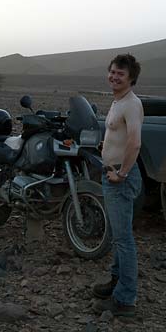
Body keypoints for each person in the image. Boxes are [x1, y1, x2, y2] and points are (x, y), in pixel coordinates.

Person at [92, 54, 144, 317]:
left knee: (124, 240)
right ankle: (117, 281)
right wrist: (107, 147)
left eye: (119, 74)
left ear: (130, 78)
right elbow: (119, 135)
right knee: (117, 235)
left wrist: (122, 174)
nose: (114, 77)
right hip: (110, 173)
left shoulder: (131, 104)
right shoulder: (118, 101)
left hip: (119, 179)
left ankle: (125, 300)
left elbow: (135, 142)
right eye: (112, 72)